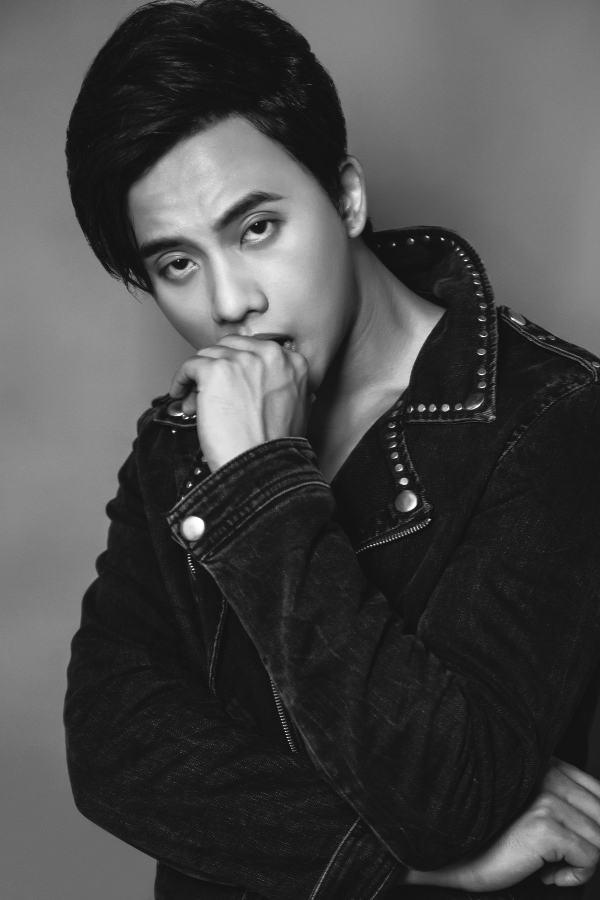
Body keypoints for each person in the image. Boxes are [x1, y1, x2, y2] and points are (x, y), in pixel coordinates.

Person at [63, 1, 600, 898]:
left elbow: (447, 795)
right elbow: (114, 751)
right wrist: (412, 864)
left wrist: (256, 484)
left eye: (256, 228)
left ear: (346, 196)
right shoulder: (179, 439)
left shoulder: (552, 422)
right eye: (177, 264)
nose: (230, 302)